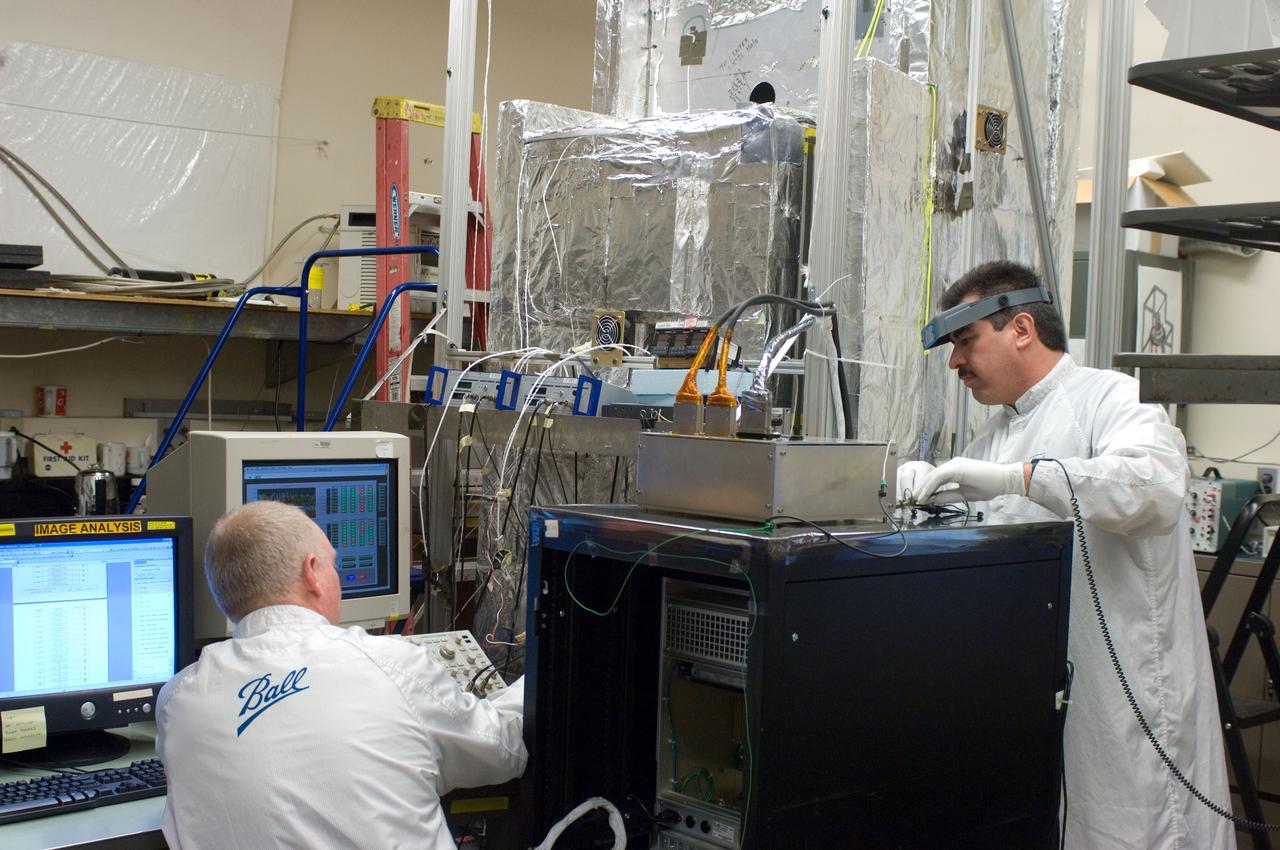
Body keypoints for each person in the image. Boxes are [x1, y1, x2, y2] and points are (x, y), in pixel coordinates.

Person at [899, 260, 1234, 849]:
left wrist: (1019, 479)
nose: (955, 363)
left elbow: (1153, 487)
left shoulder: (1115, 398)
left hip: (1126, 702)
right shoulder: (997, 434)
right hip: (1039, 702)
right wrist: (927, 497)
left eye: (965, 341)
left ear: (1021, 329)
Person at [156, 500, 527, 849]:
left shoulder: (179, 700)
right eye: (333, 566)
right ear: (311, 573)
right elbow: (504, 750)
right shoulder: (391, 666)